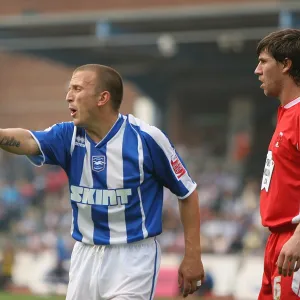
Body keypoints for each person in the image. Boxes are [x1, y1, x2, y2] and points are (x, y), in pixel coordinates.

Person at [0, 64, 205, 299]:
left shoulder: (147, 139)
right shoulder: (68, 135)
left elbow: (187, 192)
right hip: (84, 255)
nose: (68, 97)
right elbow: (27, 140)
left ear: (102, 98)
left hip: (132, 258)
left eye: (77, 89)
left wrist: (192, 255)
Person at [255, 29, 300, 299]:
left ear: (286, 65)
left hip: (293, 240)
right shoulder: (285, 114)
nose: (257, 71)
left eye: (263, 61)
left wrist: (298, 237)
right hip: (277, 241)